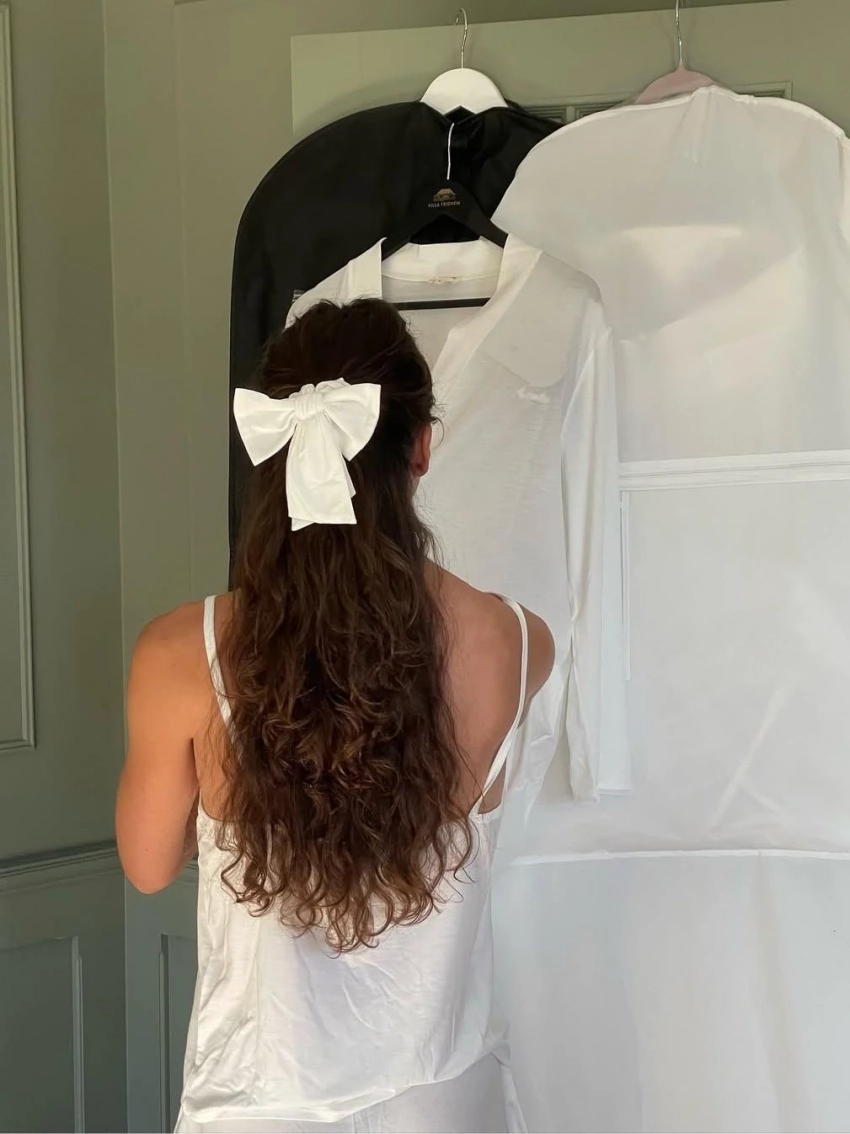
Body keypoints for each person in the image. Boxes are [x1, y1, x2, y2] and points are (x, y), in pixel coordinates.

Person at [116, 298, 554, 1134]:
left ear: (272, 451)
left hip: (258, 1105)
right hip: (442, 1105)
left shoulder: (179, 655)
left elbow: (146, 864)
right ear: (421, 448)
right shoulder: (516, 642)